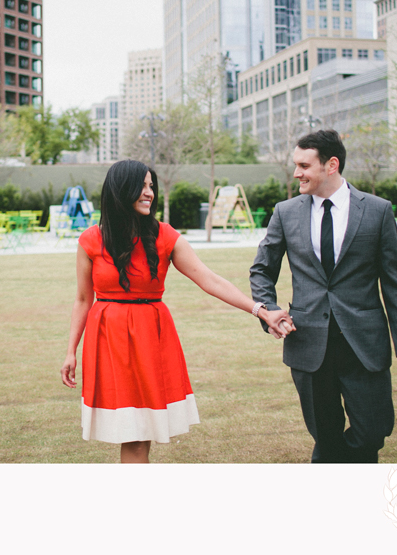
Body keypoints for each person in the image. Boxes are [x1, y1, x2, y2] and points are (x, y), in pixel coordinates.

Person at [61, 159, 293, 463]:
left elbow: (209, 279)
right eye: (142, 186)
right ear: (121, 190)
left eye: (151, 186)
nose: (149, 193)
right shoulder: (90, 240)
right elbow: (82, 299)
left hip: (149, 337)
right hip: (107, 340)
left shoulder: (165, 236)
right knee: (129, 431)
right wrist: (70, 352)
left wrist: (261, 310)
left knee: (139, 433)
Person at [249, 129, 397, 463]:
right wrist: (268, 310)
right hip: (308, 344)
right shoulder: (286, 212)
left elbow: (396, 282)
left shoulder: (377, 210)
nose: (296, 172)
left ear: (331, 165)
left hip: (363, 345)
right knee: (325, 436)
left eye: (303, 165)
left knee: (372, 431)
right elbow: (261, 270)